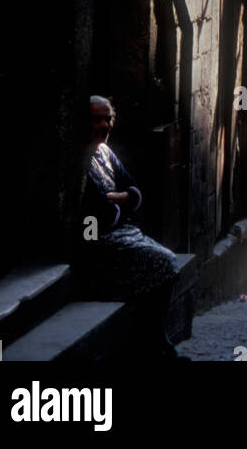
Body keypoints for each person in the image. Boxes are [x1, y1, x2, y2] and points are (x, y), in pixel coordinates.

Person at [77, 96, 187, 360]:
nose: (104, 125)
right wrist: (119, 202)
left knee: (168, 265)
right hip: (99, 242)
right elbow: (97, 210)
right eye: (96, 119)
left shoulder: (104, 152)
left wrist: (120, 199)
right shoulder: (80, 160)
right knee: (164, 264)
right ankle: (153, 343)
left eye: (108, 118)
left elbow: (134, 190)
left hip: (124, 232)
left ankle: (155, 339)